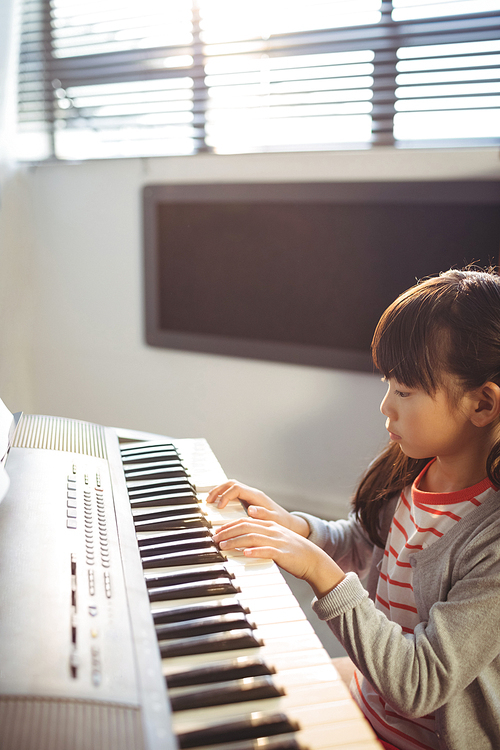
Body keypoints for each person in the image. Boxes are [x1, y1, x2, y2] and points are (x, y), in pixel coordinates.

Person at [207, 268, 500, 750]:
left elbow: (419, 684)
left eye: (404, 391)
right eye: (389, 384)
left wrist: (320, 572)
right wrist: (298, 528)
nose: (386, 406)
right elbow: (369, 544)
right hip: (367, 707)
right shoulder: (418, 472)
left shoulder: (490, 542)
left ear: (482, 406)